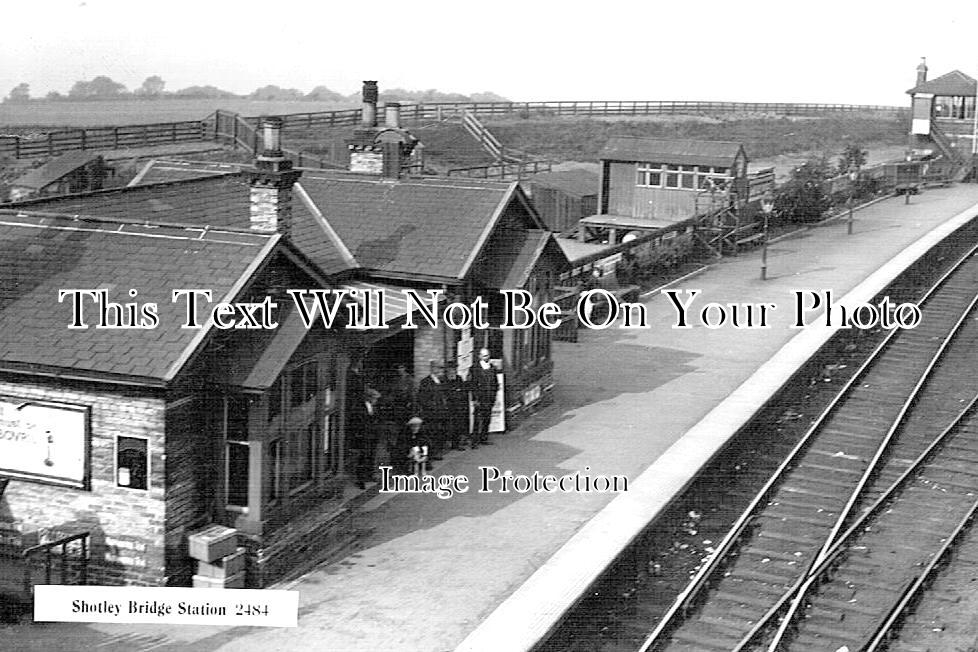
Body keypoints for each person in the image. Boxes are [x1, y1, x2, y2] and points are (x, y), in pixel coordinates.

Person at [351, 387, 382, 489]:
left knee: (371, 456)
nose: (375, 401)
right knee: (363, 457)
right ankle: (361, 479)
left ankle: (369, 475)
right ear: (369, 398)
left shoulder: (374, 407)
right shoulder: (359, 407)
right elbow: (358, 422)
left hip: (373, 435)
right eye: (374, 399)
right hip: (363, 435)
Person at [416, 360, 447, 460]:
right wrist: (431, 407)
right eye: (438, 368)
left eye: (440, 368)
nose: (439, 370)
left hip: (441, 412)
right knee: (431, 433)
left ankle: (438, 451)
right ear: (432, 368)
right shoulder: (425, 382)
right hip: (431, 413)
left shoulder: (442, 381)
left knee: (440, 432)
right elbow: (422, 398)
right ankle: (430, 454)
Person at [469, 348, 499, 448]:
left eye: (488, 355)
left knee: (487, 419)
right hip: (480, 398)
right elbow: (472, 385)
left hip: (489, 398)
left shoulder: (492, 368)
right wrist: (474, 399)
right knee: (477, 420)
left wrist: (494, 396)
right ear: (480, 356)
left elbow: (495, 383)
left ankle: (484, 438)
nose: (487, 357)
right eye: (484, 355)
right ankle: (474, 441)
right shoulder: (475, 368)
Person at [443, 362, 470, 450]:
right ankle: (447, 443)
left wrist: (457, 392)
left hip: (458, 407)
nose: (452, 372)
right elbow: (446, 393)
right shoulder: (444, 380)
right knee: (448, 426)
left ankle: (456, 444)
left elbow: (462, 391)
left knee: (458, 426)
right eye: (451, 370)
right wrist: (455, 392)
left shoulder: (458, 378)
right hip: (448, 407)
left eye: (454, 370)